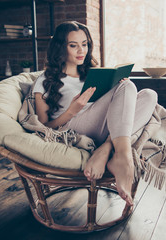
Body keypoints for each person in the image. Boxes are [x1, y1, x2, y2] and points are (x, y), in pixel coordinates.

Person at [33, 21, 157, 206]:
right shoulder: (45, 80)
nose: (80, 50)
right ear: (60, 47)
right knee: (127, 86)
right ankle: (123, 156)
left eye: (85, 44)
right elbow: (42, 128)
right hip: (72, 127)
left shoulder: (94, 73)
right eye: (73, 45)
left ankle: (106, 148)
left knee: (149, 94)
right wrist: (71, 111)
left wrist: (118, 89)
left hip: (105, 128)